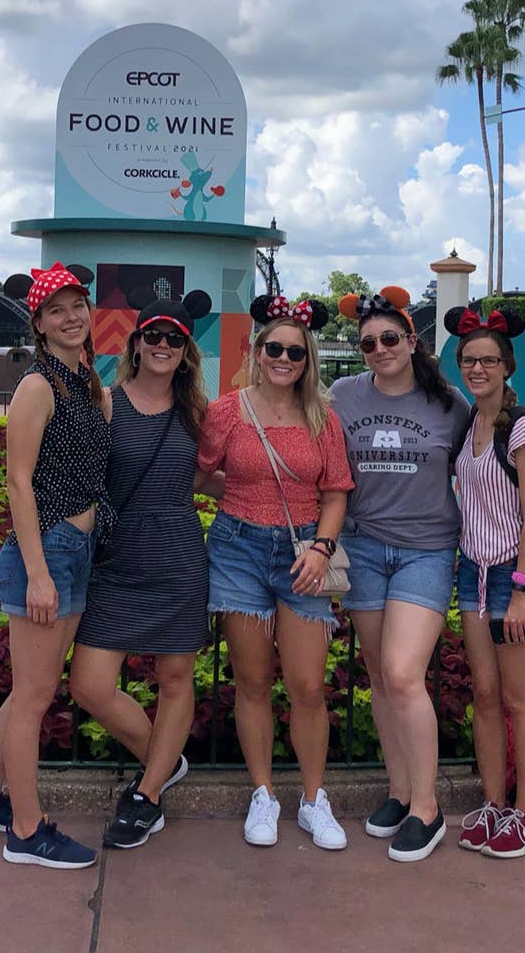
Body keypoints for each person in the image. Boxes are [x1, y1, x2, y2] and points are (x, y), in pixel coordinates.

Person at [0, 262, 111, 869]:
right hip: (45, 551)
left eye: (77, 305)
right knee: (33, 697)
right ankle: (26, 830)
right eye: (56, 310)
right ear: (40, 323)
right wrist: (39, 571)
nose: (70, 317)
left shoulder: (89, 384)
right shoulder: (37, 386)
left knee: (28, 691)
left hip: (77, 549)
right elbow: (18, 484)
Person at [199, 295, 354, 850]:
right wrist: (241, 493)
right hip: (238, 547)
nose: (284, 358)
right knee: (254, 680)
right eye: (275, 348)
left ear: (307, 357)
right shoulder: (226, 412)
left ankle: (314, 798)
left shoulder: (321, 416)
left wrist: (320, 546)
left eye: (295, 350)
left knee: (309, 685)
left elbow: (336, 490)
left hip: (303, 553)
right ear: (257, 351)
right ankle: (263, 791)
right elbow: (198, 472)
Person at [69, 290, 220, 850]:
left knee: (176, 679)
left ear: (186, 351)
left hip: (178, 552)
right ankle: (166, 759)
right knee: (89, 684)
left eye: (173, 339)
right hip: (117, 555)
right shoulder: (105, 402)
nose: (162, 346)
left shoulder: (198, 414)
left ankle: (149, 793)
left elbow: (207, 478)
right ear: (135, 344)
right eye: (152, 336)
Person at [330, 286, 470, 863]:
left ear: (412, 341)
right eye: (368, 343)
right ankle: (398, 789)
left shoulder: (450, 404)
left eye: (390, 338)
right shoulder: (342, 395)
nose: (379, 349)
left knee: (402, 671)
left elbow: (486, 458)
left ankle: (427, 807)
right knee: (380, 677)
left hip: (426, 551)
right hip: (362, 548)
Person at [445, 305, 525, 859]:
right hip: (473, 572)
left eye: (488, 359)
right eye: (469, 360)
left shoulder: (523, 427)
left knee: (518, 698)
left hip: (515, 573)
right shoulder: (472, 424)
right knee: (484, 695)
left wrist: (522, 588)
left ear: (507, 366)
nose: (478, 368)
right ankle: (493, 803)